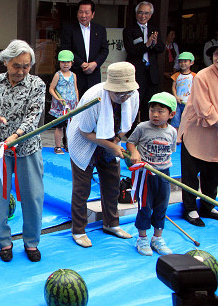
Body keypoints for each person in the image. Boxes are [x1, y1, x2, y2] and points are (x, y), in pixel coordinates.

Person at [0, 39, 45, 262]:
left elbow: (33, 117)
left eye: (26, 66)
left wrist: (16, 135)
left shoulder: (37, 84)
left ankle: (31, 242)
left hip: (27, 148)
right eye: (16, 65)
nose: (21, 71)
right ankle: (4, 242)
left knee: (33, 197)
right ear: (6, 61)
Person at [67, 61, 139, 248]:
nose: (124, 97)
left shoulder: (133, 95)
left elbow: (127, 124)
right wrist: (110, 145)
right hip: (84, 140)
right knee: (82, 188)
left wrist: (115, 142)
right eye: (120, 93)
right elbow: (84, 132)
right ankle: (79, 229)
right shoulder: (95, 97)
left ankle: (111, 223)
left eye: (127, 92)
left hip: (111, 139)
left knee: (112, 183)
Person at [126, 92, 177, 256]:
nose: (155, 114)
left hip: (164, 174)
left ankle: (157, 238)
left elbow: (171, 151)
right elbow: (130, 143)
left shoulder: (172, 132)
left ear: (171, 114)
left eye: (161, 111)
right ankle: (142, 238)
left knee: (161, 206)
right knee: (145, 207)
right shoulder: (142, 127)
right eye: (152, 110)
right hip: (145, 175)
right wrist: (134, 153)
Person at [178, 43, 218, 227]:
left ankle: (208, 206)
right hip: (197, 130)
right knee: (191, 172)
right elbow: (205, 108)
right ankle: (190, 208)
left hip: (215, 135)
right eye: (217, 54)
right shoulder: (203, 76)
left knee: (213, 173)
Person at [123, 1, 165, 122]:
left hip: (151, 73)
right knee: (134, 103)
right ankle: (131, 131)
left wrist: (154, 43)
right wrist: (147, 44)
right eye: (140, 12)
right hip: (136, 72)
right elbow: (131, 50)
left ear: (150, 15)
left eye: (146, 13)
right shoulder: (129, 30)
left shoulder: (154, 30)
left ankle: (147, 128)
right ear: (136, 13)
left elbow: (161, 48)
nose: (143, 16)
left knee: (150, 104)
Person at [61, 0, 109, 97]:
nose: (83, 16)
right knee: (75, 104)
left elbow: (104, 50)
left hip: (94, 74)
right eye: (81, 12)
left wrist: (94, 64)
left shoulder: (100, 29)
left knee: (93, 103)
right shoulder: (69, 29)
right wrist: (82, 64)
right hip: (75, 73)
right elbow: (66, 49)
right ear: (77, 13)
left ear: (93, 14)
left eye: (87, 12)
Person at [48, 50, 79, 154]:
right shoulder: (58, 75)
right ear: (59, 63)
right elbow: (51, 89)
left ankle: (68, 145)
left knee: (70, 126)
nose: (65, 64)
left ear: (72, 62)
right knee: (59, 126)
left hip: (71, 105)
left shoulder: (73, 75)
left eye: (68, 62)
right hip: (60, 106)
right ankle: (57, 146)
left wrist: (77, 102)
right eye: (63, 62)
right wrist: (58, 99)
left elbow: (75, 89)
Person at [170, 52, 196, 129]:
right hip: (177, 102)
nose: (182, 63)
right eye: (181, 61)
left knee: (188, 121)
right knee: (175, 120)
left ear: (191, 62)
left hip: (189, 103)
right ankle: (177, 139)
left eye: (185, 61)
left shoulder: (194, 76)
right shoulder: (176, 75)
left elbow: (196, 88)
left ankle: (186, 138)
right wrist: (176, 97)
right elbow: (173, 87)